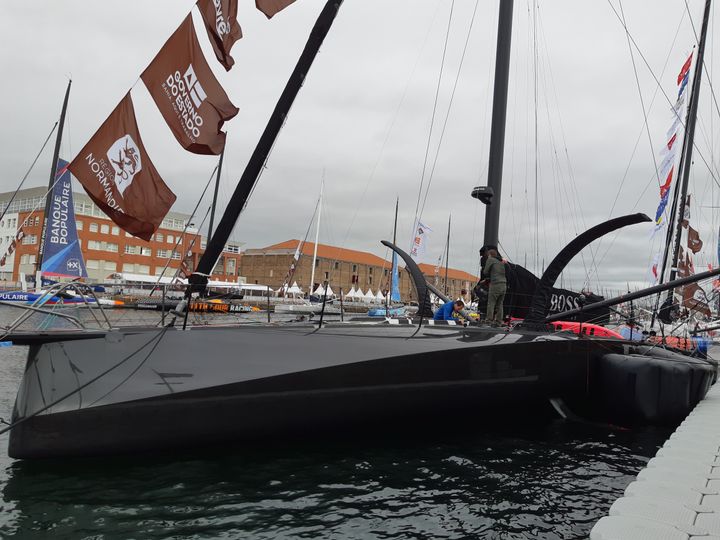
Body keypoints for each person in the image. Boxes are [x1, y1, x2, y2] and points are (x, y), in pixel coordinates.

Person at [482, 248, 507, 325]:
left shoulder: (491, 259)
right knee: (500, 304)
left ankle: (489, 320)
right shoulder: (501, 262)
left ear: (490, 255)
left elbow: (485, 272)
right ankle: (499, 321)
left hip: (496, 284)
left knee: (491, 303)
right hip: (504, 284)